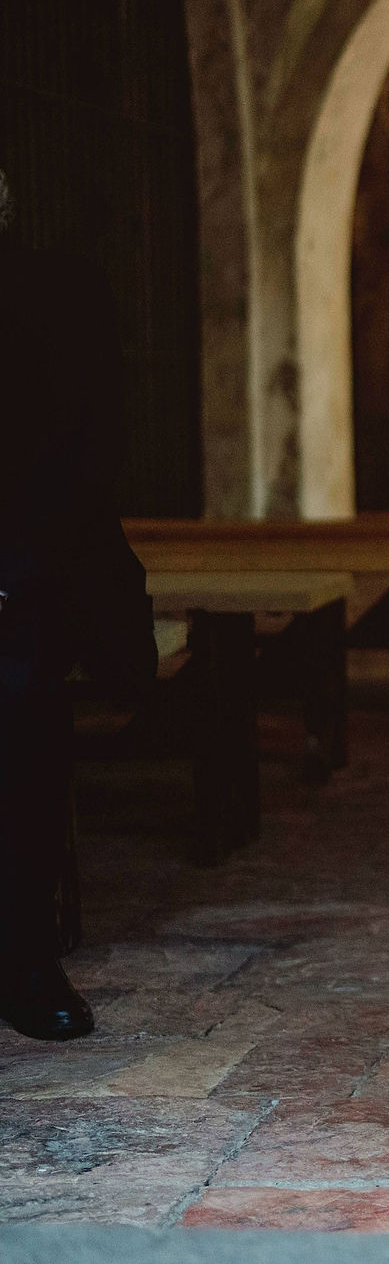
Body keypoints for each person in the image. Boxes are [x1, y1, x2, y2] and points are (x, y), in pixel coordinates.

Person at [0, 167, 157, 1040]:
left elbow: (81, 461)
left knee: (20, 682)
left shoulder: (52, 298)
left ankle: (24, 951)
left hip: (22, 568)